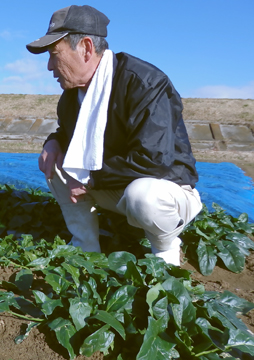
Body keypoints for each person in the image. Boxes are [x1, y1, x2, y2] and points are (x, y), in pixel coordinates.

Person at [26, 5, 202, 266]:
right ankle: (86, 249)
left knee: (145, 196)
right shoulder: (71, 97)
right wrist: (53, 141)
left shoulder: (143, 82)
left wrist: (89, 180)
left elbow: (153, 160)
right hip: (114, 186)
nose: (50, 66)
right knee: (57, 164)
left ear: (86, 48)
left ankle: (166, 249)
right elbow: (67, 133)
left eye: (54, 55)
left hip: (167, 189)